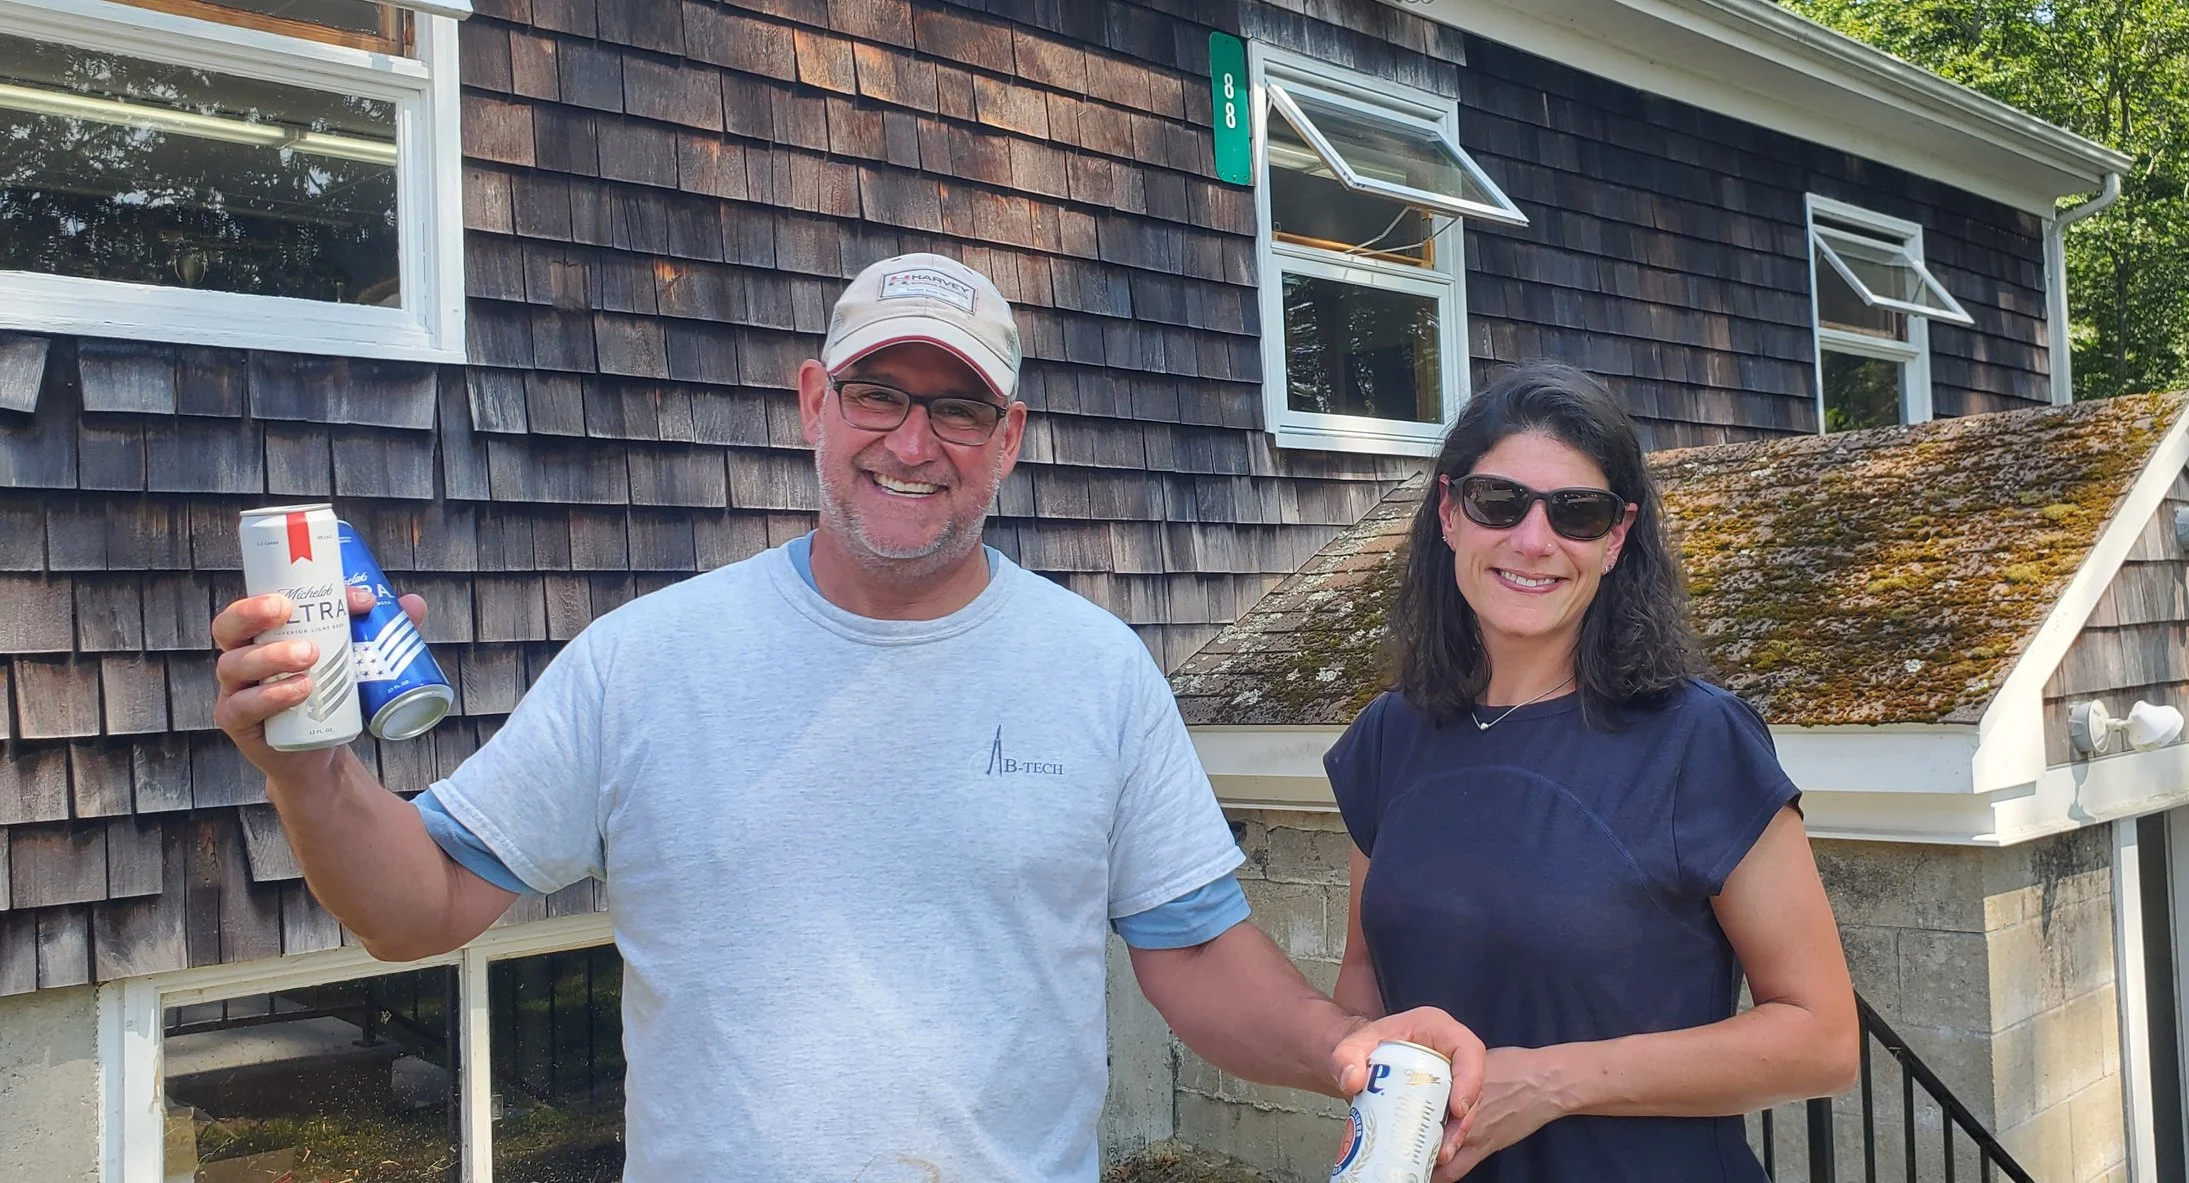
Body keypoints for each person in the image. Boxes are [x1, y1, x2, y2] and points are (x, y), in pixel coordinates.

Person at [213, 253, 1482, 1183]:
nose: (912, 443)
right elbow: (418, 905)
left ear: (1008, 439)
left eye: (958, 407)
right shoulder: (647, 661)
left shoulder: (1095, 671)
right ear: (815, 403)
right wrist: (309, 774)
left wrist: (1347, 1046)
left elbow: (1195, 955)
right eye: (878, 393)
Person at [1323, 363, 1857, 1181]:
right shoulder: (1390, 736)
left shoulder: (1697, 739)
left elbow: (1824, 1039)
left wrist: (1548, 1083)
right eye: (1499, 501)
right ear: (1449, 512)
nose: (1534, 540)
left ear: (1615, 539)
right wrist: (1375, 1088)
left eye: (1576, 512)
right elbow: (1365, 975)